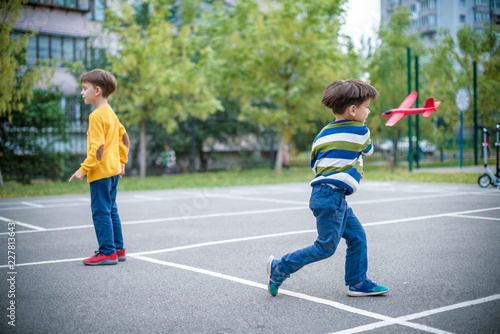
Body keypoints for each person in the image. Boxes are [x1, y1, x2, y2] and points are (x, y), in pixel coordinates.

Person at [267, 79, 389, 297]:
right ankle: (281, 266)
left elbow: (315, 164)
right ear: (353, 110)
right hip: (332, 197)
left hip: (324, 194)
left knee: (357, 237)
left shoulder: (321, 135)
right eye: (366, 107)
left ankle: (357, 282)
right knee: (325, 247)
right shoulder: (361, 131)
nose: (368, 112)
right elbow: (368, 151)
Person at [69, 69, 130, 266]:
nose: (81, 92)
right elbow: (124, 139)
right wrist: (121, 162)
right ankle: (118, 249)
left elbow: (98, 149)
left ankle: (107, 252)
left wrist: (83, 169)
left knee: (100, 211)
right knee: (111, 209)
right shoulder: (111, 113)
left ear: (97, 90)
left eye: (84, 88)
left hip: (101, 173)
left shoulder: (96, 116)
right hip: (113, 171)